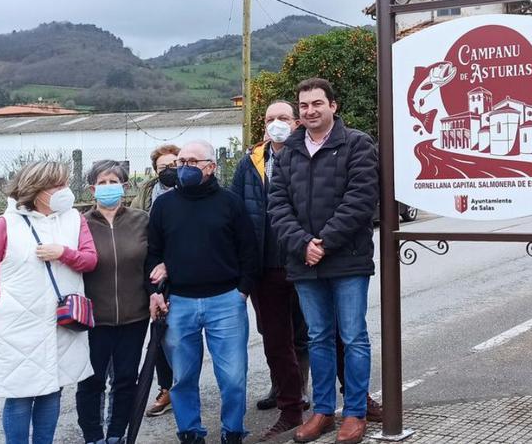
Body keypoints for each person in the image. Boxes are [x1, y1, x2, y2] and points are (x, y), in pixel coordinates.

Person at [269, 78, 378, 444]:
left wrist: (324, 243)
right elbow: (277, 206)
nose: (310, 111)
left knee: (353, 337)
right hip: (304, 263)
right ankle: (322, 412)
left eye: (317, 103)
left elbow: (361, 200)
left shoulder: (358, 144)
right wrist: (303, 245)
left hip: (347, 260)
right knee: (318, 338)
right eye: (304, 106)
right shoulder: (286, 154)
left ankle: (355, 414)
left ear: (334, 105)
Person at [0, 161, 98, 444]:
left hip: (61, 322)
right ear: (37, 189)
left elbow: (91, 260)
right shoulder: (5, 224)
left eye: (65, 184)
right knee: (19, 395)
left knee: (52, 390)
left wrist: (64, 253)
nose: (64, 191)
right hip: (18, 325)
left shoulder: (74, 219)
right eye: (57, 185)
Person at [146, 140, 259, 444]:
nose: (183, 168)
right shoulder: (163, 206)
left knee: (233, 377)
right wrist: (154, 291)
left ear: (210, 166)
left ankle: (233, 430)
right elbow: (153, 253)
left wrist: (242, 292)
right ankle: (190, 432)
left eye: (191, 162)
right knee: (182, 378)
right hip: (179, 302)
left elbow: (249, 250)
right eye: (180, 162)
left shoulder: (230, 203)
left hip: (226, 301)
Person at [231, 100, 307, 441]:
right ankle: (285, 396)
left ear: (296, 122)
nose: (276, 123)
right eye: (270, 119)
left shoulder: (310, 154)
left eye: (283, 118)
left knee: (309, 333)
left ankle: (302, 392)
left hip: (304, 260)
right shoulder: (250, 162)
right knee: (274, 336)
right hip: (264, 264)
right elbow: (236, 211)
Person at [76, 160, 151, 444]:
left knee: (125, 380)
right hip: (93, 318)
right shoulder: (79, 224)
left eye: (113, 181)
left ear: (125, 186)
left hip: (134, 316)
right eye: (102, 182)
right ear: (92, 189)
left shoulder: (141, 220)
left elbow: (155, 257)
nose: (108, 187)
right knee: (91, 381)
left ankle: (118, 434)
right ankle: (93, 436)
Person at [132, 143, 180, 418]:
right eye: (164, 167)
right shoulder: (147, 193)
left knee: (183, 334)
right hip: (154, 270)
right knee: (160, 332)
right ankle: (167, 388)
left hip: (184, 271)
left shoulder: (192, 189)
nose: (170, 171)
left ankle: (184, 386)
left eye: (175, 165)